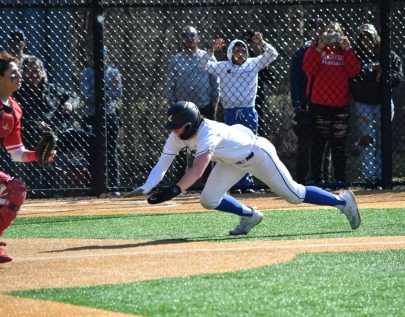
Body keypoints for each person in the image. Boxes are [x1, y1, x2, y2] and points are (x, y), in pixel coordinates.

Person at [125, 101, 361, 235]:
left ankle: (342, 202)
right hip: (231, 162)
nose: (174, 131)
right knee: (209, 200)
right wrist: (147, 186)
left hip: (257, 155)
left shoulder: (209, 132)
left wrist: (176, 190)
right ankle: (250, 215)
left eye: (178, 126)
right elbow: (162, 164)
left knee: (295, 195)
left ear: (191, 124)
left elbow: (198, 169)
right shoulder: (177, 136)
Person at [199, 33, 278, 194]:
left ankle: (247, 182)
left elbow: (272, 54)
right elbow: (203, 64)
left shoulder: (253, 64)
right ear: (229, 52)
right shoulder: (223, 66)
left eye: (243, 50)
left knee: (250, 147)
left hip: (248, 111)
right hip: (230, 112)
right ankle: (234, 184)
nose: (240, 54)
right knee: (233, 147)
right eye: (236, 51)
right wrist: (212, 50)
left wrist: (262, 42)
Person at [0, 51, 55, 263]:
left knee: (17, 190)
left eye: (19, 72)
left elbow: (16, 152)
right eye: (13, 73)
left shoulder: (14, 110)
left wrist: (39, 156)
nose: (20, 76)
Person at [16, 56, 96, 187]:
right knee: (43, 153)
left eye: (37, 70)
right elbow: (17, 120)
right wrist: (35, 124)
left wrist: (70, 104)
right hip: (36, 138)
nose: (34, 74)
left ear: (42, 72)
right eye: (30, 71)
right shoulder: (19, 93)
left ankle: (95, 185)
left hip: (61, 134)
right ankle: (43, 190)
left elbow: (74, 96)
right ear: (23, 74)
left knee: (93, 141)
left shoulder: (52, 89)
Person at [303, 21, 361, 188]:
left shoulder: (344, 51)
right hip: (320, 105)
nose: (332, 34)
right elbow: (309, 69)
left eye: (336, 31)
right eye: (328, 31)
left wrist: (348, 49)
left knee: (339, 145)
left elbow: (354, 71)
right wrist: (319, 46)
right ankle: (318, 180)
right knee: (319, 144)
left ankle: (340, 179)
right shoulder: (316, 49)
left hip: (340, 105)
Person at [350, 23, 404, 189]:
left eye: (369, 36)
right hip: (362, 104)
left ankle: (383, 177)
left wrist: (384, 74)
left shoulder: (387, 54)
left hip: (384, 104)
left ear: (375, 38)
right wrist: (373, 72)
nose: (365, 39)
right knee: (368, 141)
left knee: (382, 141)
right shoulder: (355, 55)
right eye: (362, 36)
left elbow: (399, 77)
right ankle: (370, 179)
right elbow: (353, 77)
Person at [166, 26, 220, 184]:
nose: (189, 38)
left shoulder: (206, 57)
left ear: (198, 38)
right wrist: (172, 104)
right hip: (183, 111)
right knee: (181, 144)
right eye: (185, 36)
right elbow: (170, 84)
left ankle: (207, 181)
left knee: (207, 143)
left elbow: (215, 81)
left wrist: (214, 104)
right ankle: (181, 182)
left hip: (204, 106)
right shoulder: (176, 59)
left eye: (192, 35)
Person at [290, 16, 332, 186]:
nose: (318, 32)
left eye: (320, 29)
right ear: (308, 31)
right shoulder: (302, 52)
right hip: (307, 103)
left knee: (324, 142)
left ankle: (323, 178)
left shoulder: (330, 51)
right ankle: (300, 179)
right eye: (314, 29)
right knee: (305, 142)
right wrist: (298, 103)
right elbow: (296, 81)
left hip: (324, 102)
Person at [80, 47, 123, 196]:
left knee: (111, 151)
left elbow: (118, 93)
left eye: (103, 56)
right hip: (91, 115)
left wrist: (97, 91)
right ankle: (94, 186)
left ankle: (113, 186)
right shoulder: (86, 73)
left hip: (109, 114)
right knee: (92, 151)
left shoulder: (113, 72)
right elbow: (85, 97)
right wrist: (105, 90)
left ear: (107, 57)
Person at [242, 30, 276, 139]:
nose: (249, 46)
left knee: (258, 130)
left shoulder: (260, 59)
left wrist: (259, 54)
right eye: (247, 43)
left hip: (257, 99)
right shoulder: (238, 60)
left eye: (252, 42)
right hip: (239, 100)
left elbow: (271, 78)